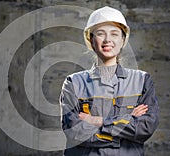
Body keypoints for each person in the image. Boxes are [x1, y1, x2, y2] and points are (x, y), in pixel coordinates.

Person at [60, 6, 159, 156]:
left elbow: (145, 128)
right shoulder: (73, 83)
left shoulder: (142, 81)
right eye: (100, 34)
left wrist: (97, 121)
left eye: (114, 34)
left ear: (122, 40)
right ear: (91, 40)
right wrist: (126, 125)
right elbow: (75, 133)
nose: (107, 40)